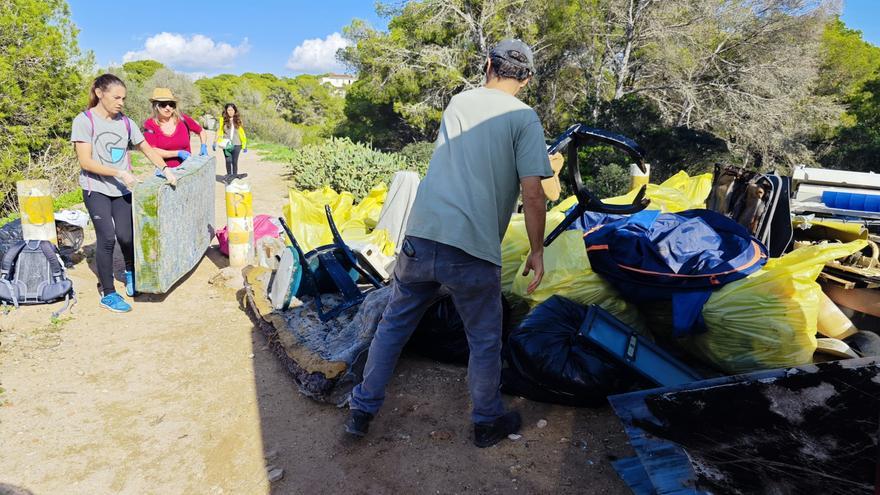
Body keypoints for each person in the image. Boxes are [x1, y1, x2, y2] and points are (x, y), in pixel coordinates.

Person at [346, 39, 554, 448]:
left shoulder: (459, 103)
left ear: (488, 65)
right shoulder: (524, 117)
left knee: (394, 326)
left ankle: (362, 410)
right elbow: (534, 193)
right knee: (484, 340)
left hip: (421, 236)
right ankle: (486, 420)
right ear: (527, 79)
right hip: (472, 248)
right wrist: (536, 249)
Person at [71, 74, 177, 313]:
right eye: (116, 97)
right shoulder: (84, 121)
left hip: (121, 190)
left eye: (124, 98)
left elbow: (146, 148)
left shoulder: (126, 123)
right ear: (100, 93)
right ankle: (108, 293)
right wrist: (119, 172)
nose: (121, 102)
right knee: (107, 238)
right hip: (96, 188)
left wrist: (165, 170)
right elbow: (85, 161)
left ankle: (131, 272)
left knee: (127, 237)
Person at [142, 88, 208, 173]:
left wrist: (203, 146)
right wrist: (177, 153)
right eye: (163, 104)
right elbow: (152, 151)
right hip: (165, 173)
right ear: (155, 106)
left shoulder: (183, 119)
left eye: (171, 104)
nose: (168, 108)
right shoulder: (150, 124)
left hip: (187, 170)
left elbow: (201, 131)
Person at [214, 103, 248, 183]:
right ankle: (229, 177)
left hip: (237, 144)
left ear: (235, 111)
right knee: (228, 161)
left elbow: (242, 133)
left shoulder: (238, 120)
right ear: (226, 111)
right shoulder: (223, 120)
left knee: (234, 162)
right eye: (228, 110)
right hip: (226, 144)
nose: (230, 112)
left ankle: (234, 178)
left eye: (232, 110)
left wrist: (244, 144)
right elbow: (219, 131)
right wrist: (215, 141)